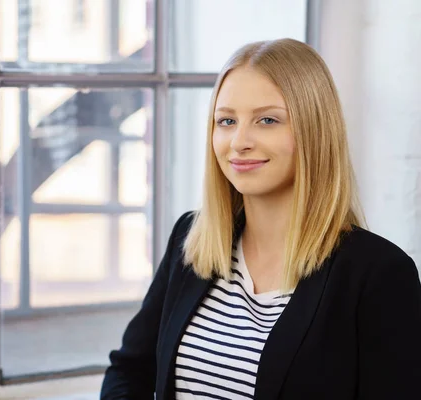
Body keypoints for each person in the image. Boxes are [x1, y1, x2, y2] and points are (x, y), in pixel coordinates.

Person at [100, 38, 421, 400]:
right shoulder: (190, 239)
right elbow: (129, 371)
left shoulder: (380, 273)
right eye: (226, 121)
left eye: (267, 120)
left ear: (314, 131)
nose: (239, 141)